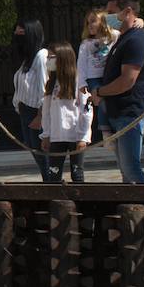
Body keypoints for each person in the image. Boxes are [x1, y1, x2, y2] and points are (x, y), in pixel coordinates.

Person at [90, 0, 144, 184]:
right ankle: (134, 207)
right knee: (125, 172)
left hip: (130, 113)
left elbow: (127, 81)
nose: (107, 17)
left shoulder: (136, 40)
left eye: (111, 12)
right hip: (118, 113)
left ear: (127, 12)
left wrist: (100, 92)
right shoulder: (123, 37)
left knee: (131, 168)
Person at [40, 42, 92, 183]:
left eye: (51, 57)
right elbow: (46, 112)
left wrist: (83, 136)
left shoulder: (78, 81)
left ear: (62, 59)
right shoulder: (52, 82)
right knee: (54, 173)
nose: (48, 61)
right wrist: (46, 135)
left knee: (77, 173)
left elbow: (86, 110)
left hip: (75, 135)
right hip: (56, 136)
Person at [75, 8, 118, 168]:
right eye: (88, 22)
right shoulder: (86, 44)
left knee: (112, 100)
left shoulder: (113, 37)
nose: (90, 24)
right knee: (101, 102)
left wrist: (139, 21)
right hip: (94, 78)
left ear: (103, 21)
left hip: (109, 76)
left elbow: (124, 27)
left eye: (93, 20)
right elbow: (81, 64)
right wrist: (82, 83)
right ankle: (106, 133)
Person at [11, 18, 50, 179]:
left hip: (36, 111)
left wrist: (40, 115)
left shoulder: (41, 56)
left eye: (21, 33)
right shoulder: (27, 60)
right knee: (34, 150)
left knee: (41, 151)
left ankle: (50, 182)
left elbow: (44, 87)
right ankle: (47, 180)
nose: (17, 37)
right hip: (25, 110)